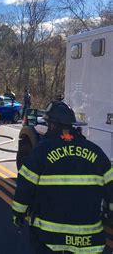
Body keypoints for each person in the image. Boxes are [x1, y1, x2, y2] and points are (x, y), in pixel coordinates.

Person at [12, 101, 112, 253]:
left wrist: (18, 213)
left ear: (52, 125)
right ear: (73, 126)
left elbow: (25, 186)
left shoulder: (41, 152)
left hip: (49, 239)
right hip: (89, 241)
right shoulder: (96, 152)